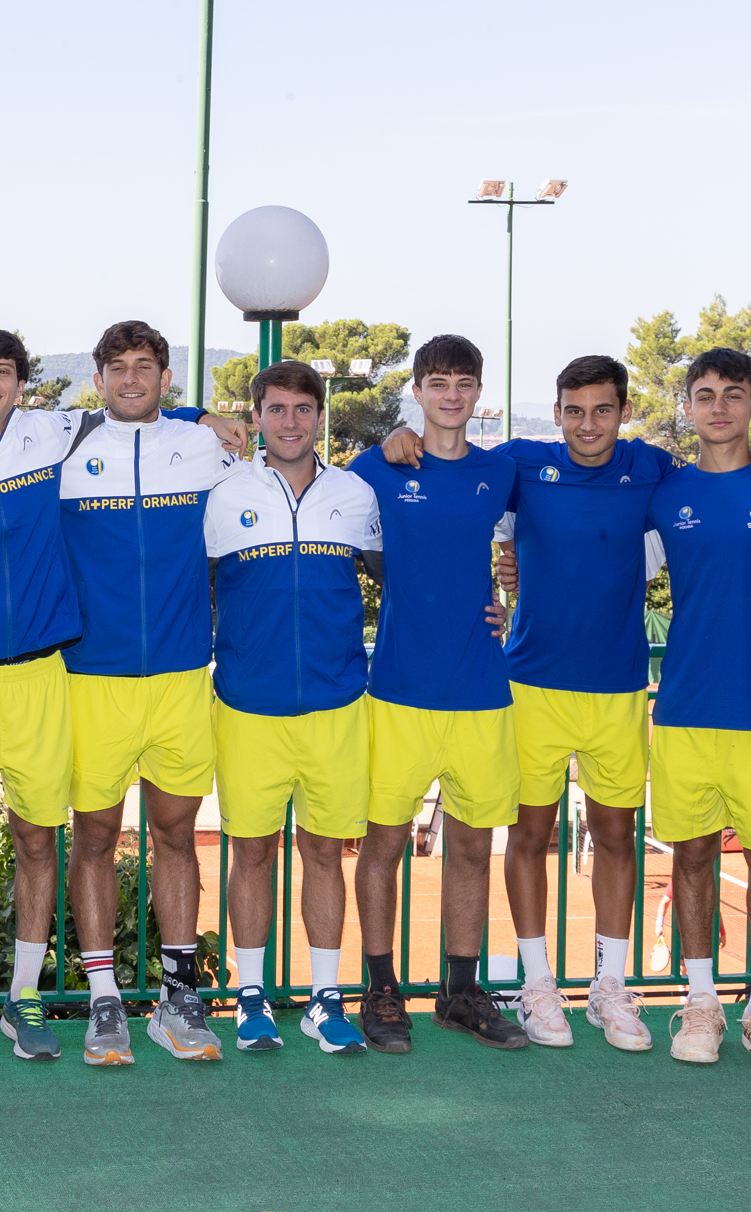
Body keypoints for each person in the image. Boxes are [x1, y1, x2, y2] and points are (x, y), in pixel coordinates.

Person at [381, 357, 751, 1051]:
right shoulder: (523, 462)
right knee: (531, 838)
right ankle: (537, 985)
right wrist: (399, 434)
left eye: (602, 410)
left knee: (613, 836)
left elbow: (721, 477)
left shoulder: (653, 470)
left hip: (619, 688)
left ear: (624, 411)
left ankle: (609, 986)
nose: (587, 425)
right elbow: (456, 466)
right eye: (573, 411)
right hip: (532, 687)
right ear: (558, 410)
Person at [0, 328, 238, 1065]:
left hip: (59, 675)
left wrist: (207, 414)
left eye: (4, 371)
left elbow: (228, 457)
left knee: (46, 839)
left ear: (24, 382)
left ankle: (33, 998)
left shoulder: (59, 436)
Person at [53, 320, 241, 1065]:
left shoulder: (204, 448)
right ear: (98, 379)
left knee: (175, 836)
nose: (132, 379)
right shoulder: (65, 446)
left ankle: (176, 996)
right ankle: (104, 1001)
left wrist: (202, 417)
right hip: (91, 680)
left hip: (179, 678)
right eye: (118, 368)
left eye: (146, 367)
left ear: (167, 379)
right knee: (94, 837)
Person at [347, 335, 525, 1052]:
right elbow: (330, 519)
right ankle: (381, 988)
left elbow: (563, 528)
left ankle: (460, 991)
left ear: (478, 394)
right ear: (416, 392)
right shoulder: (378, 467)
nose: (452, 395)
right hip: (397, 690)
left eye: (464, 383)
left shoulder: (503, 471)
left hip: (481, 689)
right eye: (438, 383)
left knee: (475, 848)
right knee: (384, 843)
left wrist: (518, 592)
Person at [204, 361, 381, 1055]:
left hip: (338, 705)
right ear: (257, 417)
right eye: (277, 409)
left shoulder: (358, 494)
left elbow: (409, 577)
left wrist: (493, 602)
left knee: (325, 854)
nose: (290, 421)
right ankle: (251, 999)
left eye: (303, 409)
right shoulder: (222, 494)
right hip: (249, 706)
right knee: (250, 852)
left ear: (320, 415)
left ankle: (324, 1000)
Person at [643, 348, 751, 1073]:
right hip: (685, 706)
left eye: (733, 395)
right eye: (704, 394)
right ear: (686, 405)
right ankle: (702, 1001)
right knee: (692, 856)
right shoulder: (663, 494)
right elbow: (601, 566)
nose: (718, 407)